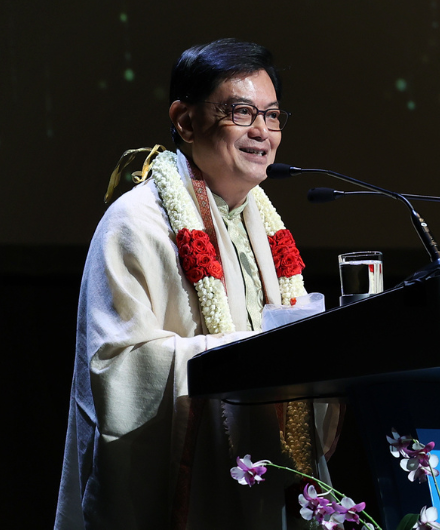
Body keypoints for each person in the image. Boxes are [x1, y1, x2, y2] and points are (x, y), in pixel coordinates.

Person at [56, 38, 336, 530]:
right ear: (186, 121)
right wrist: (246, 355)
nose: (262, 132)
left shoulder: (263, 228)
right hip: (179, 492)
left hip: (255, 480)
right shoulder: (137, 223)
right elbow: (116, 367)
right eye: (241, 111)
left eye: (272, 116)